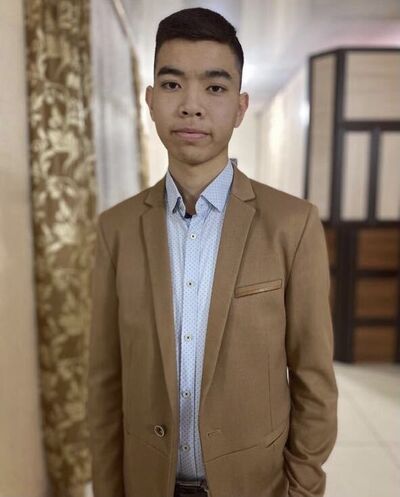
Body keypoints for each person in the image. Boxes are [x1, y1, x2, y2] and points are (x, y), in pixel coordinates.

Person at [87, 7, 338, 497]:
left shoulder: (293, 224)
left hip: (257, 485)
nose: (192, 106)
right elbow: (104, 382)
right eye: (172, 84)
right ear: (150, 101)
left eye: (215, 87)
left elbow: (314, 379)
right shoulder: (115, 229)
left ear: (240, 107)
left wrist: (302, 489)